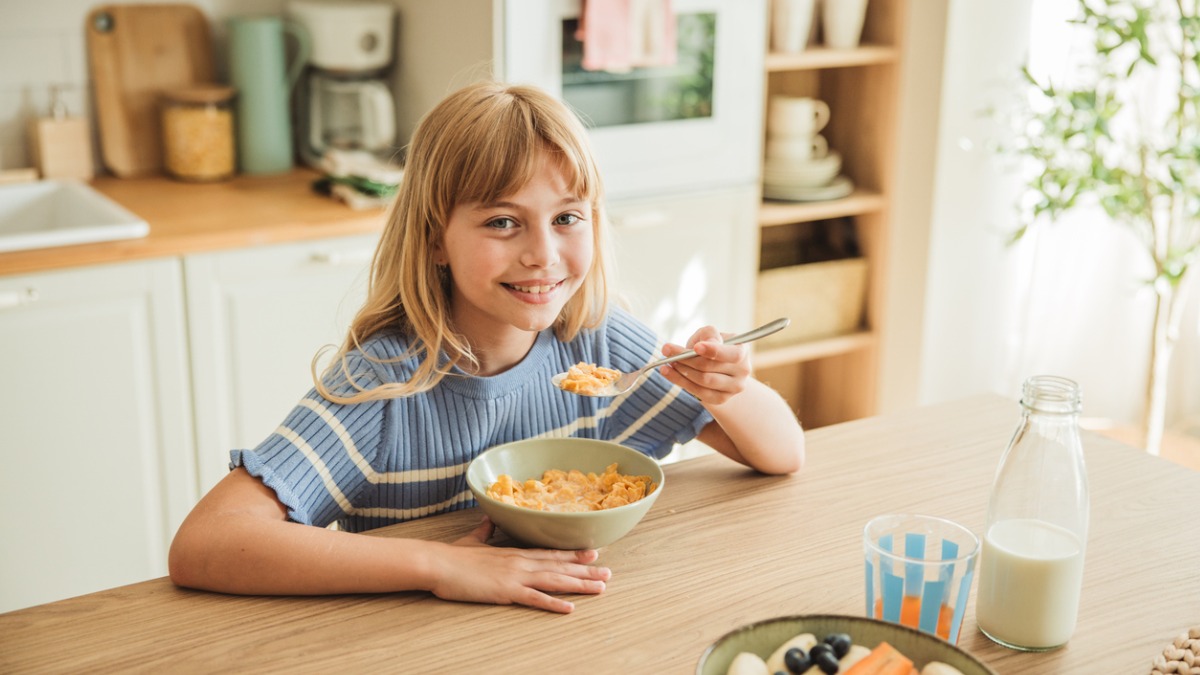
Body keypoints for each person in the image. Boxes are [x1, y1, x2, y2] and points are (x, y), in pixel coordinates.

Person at [169, 81, 805, 614]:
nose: (542, 254)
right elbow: (207, 543)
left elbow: (782, 454)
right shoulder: (386, 385)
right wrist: (437, 564)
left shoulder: (601, 346)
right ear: (435, 239)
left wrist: (730, 389)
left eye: (566, 218)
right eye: (503, 221)